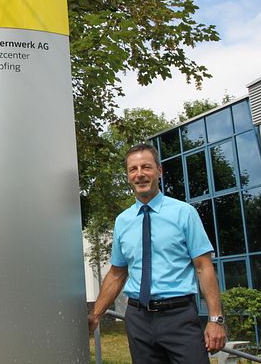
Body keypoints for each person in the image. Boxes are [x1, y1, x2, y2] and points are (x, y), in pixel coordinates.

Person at [88, 143, 226, 363]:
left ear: (159, 171)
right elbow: (117, 273)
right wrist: (95, 314)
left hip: (179, 316)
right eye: (133, 169)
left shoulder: (184, 213)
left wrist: (215, 319)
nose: (140, 174)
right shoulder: (122, 221)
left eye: (146, 167)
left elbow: (203, 266)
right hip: (138, 320)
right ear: (128, 176)